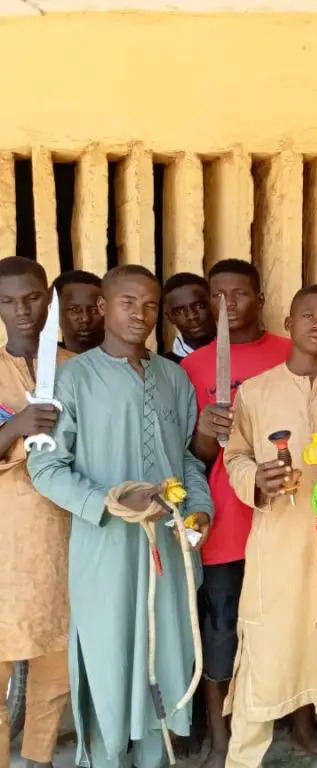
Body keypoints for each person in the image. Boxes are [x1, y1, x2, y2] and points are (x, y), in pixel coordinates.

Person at [29, 264, 213, 768]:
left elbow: (187, 460)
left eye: (150, 305)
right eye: (128, 302)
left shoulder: (174, 378)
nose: (140, 314)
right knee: (108, 659)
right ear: (103, 307)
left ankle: (155, 759)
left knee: (165, 656)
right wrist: (107, 502)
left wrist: (199, 510)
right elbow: (45, 467)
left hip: (168, 550)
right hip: (104, 549)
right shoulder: (73, 378)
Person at [222, 284, 317, 768]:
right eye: (309, 316)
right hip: (277, 544)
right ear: (289, 325)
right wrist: (257, 478)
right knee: (265, 649)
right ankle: (243, 759)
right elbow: (235, 456)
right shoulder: (256, 391)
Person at [180, 258, 291, 768]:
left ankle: (297, 722)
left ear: (260, 298)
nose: (227, 304)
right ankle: (221, 734)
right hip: (224, 520)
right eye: (217, 296)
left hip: (282, 517)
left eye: (239, 293)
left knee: (285, 622)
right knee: (221, 626)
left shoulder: (289, 354)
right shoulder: (195, 367)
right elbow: (192, 458)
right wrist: (206, 432)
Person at [0, 257, 73, 768]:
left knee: (56, 665)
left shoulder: (79, 368)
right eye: (8, 301)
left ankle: (40, 758)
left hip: (66, 536)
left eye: (31, 298)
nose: (22, 310)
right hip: (6, 544)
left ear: (49, 299)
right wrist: (16, 426)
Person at [163, 272, 216, 364]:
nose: (192, 316)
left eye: (199, 306)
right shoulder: (165, 366)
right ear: (170, 318)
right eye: (179, 312)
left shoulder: (240, 350)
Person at [52, 269, 104, 354]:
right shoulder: (43, 359)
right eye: (74, 310)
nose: (85, 319)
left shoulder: (124, 358)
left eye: (95, 310)